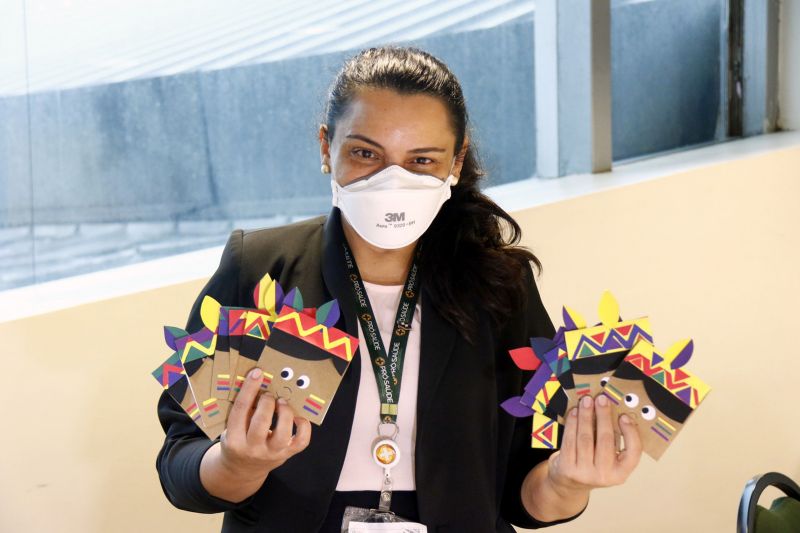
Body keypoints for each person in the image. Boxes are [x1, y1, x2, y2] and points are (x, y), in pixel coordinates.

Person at [156, 45, 643, 533]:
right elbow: (180, 465)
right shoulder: (259, 267)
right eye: (366, 153)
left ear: (457, 161)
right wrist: (238, 463)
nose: (393, 181)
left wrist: (567, 481)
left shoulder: (499, 287)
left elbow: (524, 495)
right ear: (327, 147)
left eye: (422, 160)